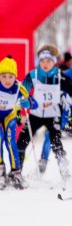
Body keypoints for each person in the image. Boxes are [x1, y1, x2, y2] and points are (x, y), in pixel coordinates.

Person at [17, 45, 72, 180]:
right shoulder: (33, 75)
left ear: (54, 61)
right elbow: (21, 94)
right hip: (35, 115)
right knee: (22, 141)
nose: (45, 64)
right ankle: (17, 173)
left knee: (56, 143)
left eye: (49, 61)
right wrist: (24, 101)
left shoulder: (61, 76)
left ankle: (64, 173)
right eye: (42, 60)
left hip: (53, 115)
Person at [0, 56, 30, 189]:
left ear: (15, 77)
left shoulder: (19, 87)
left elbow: (31, 102)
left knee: (10, 141)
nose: (7, 80)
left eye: (10, 76)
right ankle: (1, 171)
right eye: (4, 76)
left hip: (10, 115)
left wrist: (26, 102)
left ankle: (15, 172)